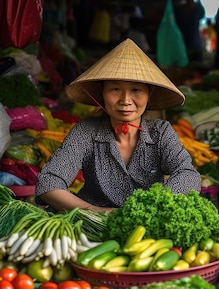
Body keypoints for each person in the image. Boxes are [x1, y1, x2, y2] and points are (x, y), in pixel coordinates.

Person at [36, 39, 201, 213]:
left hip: (147, 228)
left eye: (136, 90)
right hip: (91, 227)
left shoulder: (160, 132)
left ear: (149, 94)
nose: (125, 101)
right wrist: (97, 211)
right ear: (102, 93)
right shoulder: (86, 132)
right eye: (115, 89)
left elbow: (188, 175)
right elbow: (48, 182)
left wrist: (152, 208)